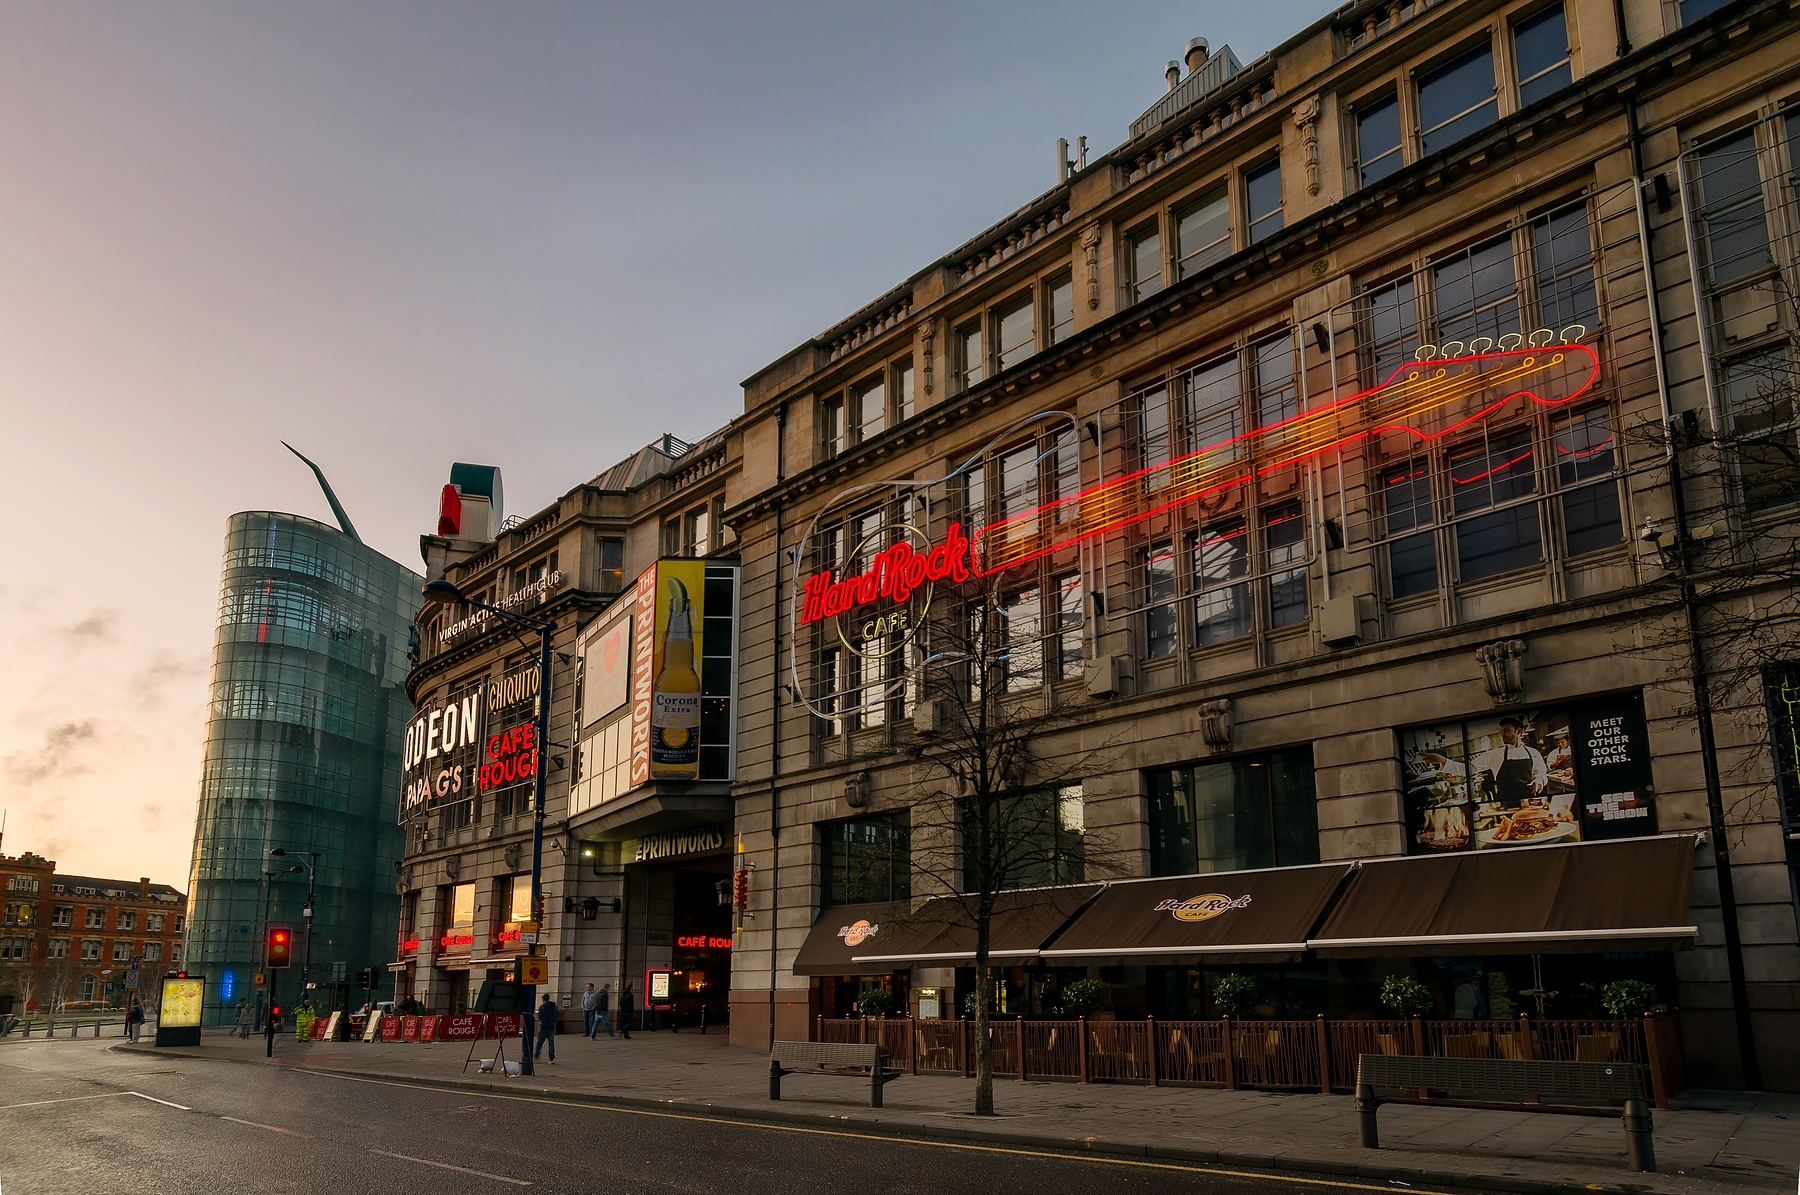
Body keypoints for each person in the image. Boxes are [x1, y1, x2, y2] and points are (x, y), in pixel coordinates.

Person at [534, 993, 557, 1063]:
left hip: (544, 1026)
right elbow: (556, 1015)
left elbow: (540, 1016)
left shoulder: (542, 1006)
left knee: (539, 1042)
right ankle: (551, 1058)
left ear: (543, 999)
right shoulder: (554, 1006)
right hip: (552, 1026)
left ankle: (536, 1055)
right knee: (551, 1042)